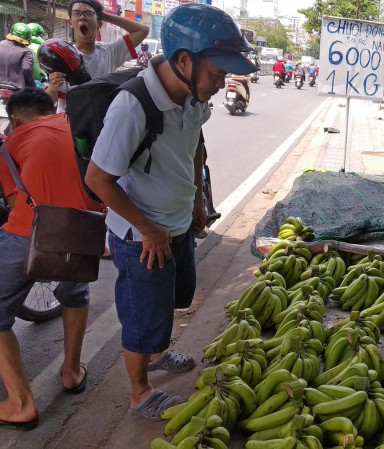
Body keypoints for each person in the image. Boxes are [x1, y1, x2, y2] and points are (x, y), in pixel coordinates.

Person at [84, 3, 257, 420]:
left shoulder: (192, 96)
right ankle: (140, 392)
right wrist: (148, 229)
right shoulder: (133, 106)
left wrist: (197, 200)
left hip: (177, 224)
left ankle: (158, 354)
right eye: (216, 74)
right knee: (143, 316)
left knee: (172, 300)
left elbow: (195, 146)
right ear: (184, 61)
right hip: (140, 236)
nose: (221, 84)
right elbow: (97, 179)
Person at [0, 88, 102, 430]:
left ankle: (21, 403)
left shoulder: (10, 142)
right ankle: (72, 372)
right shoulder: (74, 125)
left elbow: (16, 204)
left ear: (16, 120)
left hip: (32, 233)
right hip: (85, 230)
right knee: (75, 294)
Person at [45, 0, 149, 110]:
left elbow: (142, 30)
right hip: (68, 125)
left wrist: (102, 14)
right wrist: (52, 88)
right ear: (70, 22)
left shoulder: (110, 52)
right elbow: (45, 104)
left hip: (102, 123)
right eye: (76, 13)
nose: (82, 17)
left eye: (88, 14)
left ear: (99, 24)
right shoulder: (63, 55)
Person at [0, 23, 35, 90]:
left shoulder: (1, 44)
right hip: (16, 88)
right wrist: (32, 86)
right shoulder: (26, 52)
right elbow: (26, 69)